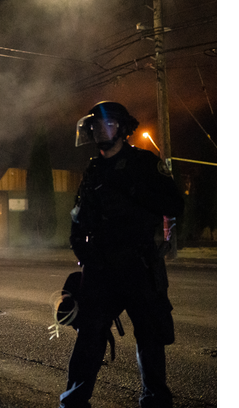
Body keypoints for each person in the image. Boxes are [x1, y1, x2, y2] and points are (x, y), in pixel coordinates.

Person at [61, 102, 184, 408]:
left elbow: (174, 205)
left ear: (123, 129)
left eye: (109, 124)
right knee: (89, 337)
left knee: (150, 337)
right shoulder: (92, 170)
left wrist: (136, 191)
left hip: (138, 265)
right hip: (101, 268)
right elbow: (78, 217)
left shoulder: (144, 163)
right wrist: (79, 246)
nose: (102, 130)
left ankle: (155, 401)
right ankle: (73, 402)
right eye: (97, 126)